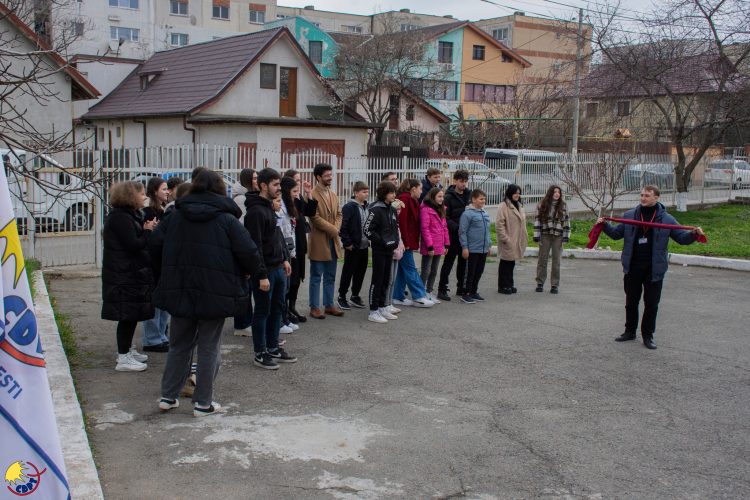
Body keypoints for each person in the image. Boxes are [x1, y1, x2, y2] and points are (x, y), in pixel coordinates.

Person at [149, 170, 263, 416]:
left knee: (179, 344)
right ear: (220, 190)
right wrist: (254, 273)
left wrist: (166, 272)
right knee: (209, 346)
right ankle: (203, 402)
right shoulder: (227, 219)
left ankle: (168, 396)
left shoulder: (176, 216)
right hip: (216, 290)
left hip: (180, 287)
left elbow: (154, 245)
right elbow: (248, 251)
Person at [598, 186, 704, 350]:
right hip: (633, 266)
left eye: (647, 195)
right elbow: (616, 234)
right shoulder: (629, 215)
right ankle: (629, 331)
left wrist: (694, 234)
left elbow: (681, 238)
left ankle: (648, 335)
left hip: (654, 269)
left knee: (651, 303)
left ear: (656, 198)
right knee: (631, 301)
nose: (643, 198)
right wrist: (604, 225)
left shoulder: (667, 219)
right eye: (641, 195)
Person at [102, 181, 156, 372]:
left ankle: (127, 349)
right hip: (123, 275)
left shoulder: (129, 215)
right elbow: (133, 245)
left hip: (129, 274)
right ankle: (123, 357)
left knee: (132, 315)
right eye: (141, 194)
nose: (145, 197)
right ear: (131, 196)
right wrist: (147, 231)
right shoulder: (120, 218)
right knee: (127, 315)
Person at [245, 168, 296, 369]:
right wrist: (261, 275)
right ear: (263, 186)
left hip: (278, 268)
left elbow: (276, 237)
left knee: (277, 310)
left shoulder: (269, 208)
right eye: (275, 185)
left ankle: (273, 347)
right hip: (265, 273)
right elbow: (254, 246)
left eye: (279, 184)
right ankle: (260, 352)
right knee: (262, 312)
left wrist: (284, 259)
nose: (279, 188)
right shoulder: (256, 212)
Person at [308, 163, 344, 319]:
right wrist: (333, 229)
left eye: (331, 174)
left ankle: (329, 305)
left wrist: (335, 228)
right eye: (327, 175)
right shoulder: (312, 194)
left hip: (332, 240)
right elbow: (314, 217)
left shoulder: (333, 194)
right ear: (318, 177)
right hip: (319, 240)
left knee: (331, 275)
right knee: (316, 276)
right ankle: (314, 307)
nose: (330, 177)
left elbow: (339, 214)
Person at [392, 179, 434, 308]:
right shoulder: (405, 200)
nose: (422, 191)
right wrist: (405, 242)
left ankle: (397, 296)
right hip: (405, 242)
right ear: (413, 189)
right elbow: (402, 222)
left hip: (407, 241)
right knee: (410, 268)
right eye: (420, 188)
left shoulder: (411, 200)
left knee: (402, 269)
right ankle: (419, 296)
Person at [282, 169, 317, 323]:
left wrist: (309, 194)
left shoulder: (297, 196)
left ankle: (292, 307)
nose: (299, 183)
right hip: (291, 244)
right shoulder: (286, 200)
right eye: (296, 180)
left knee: (297, 278)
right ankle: (285, 310)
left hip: (300, 242)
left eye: (299, 180)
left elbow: (310, 211)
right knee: (291, 278)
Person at [141, 177, 171, 352]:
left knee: (162, 302)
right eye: (164, 189)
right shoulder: (148, 212)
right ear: (154, 191)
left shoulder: (163, 210)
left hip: (162, 262)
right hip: (153, 262)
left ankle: (161, 335)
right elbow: (147, 238)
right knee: (154, 302)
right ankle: (152, 339)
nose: (167, 192)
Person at [364, 182, 400, 323]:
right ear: (383, 193)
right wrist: (381, 241)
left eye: (394, 192)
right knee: (377, 279)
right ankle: (373, 311)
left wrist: (395, 242)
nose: (394, 195)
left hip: (389, 250)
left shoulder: (392, 210)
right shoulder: (375, 209)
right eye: (391, 192)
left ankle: (382, 306)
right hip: (379, 250)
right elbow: (367, 230)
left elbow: (395, 228)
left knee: (386, 278)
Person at [437, 169, 472, 301]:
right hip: (453, 234)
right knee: (449, 262)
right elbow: (445, 217)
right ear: (455, 181)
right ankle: (442, 289)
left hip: (465, 235)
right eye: (461, 181)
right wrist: (457, 228)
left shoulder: (469, 195)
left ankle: (461, 287)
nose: (463, 184)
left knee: (463, 262)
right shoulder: (448, 197)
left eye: (465, 181)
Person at [232, 168, 258, 337]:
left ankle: (246, 321)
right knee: (244, 288)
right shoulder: (242, 199)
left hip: (248, 247)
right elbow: (243, 226)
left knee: (248, 287)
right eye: (254, 178)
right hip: (244, 249)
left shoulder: (248, 196)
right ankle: (241, 324)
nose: (257, 181)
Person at [338, 181, 369, 310]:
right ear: (356, 193)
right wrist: (347, 243)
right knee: (348, 272)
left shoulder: (367, 206)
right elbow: (343, 226)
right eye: (363, 192)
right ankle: (341, 296)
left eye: (367, 191)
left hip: (364, 246)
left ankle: (355, 295)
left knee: (360, 272)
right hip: (353, 247)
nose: (366, 194)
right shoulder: (349, 207)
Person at [534, 185, 570, 294]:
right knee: (542, 260)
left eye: (558, 192)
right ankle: (540, 283)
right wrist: (537, 236)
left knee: (556, 261)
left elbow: (567, 222)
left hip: (558, 236)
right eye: (555, 192)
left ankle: (554, 285)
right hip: (545, 235)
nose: (557, 194)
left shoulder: (563, 205)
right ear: (550, 193)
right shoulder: (542, 204)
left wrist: (565, 237)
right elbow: (537, 220)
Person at [458, 189, 491, 304]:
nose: (483, 201)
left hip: (483, 249)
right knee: (470, 272)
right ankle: (465, 293)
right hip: (472, 249)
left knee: (479, 271)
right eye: (481, 199)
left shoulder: (484, 213)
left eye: (484, 199)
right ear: (473, 199)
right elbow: (462, 232)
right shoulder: (467, 214)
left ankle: (473, 291)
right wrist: (465, 247)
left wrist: (489, 245)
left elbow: (488, 231)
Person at [277, 178, 300, 334]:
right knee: (281, 290)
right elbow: (281, 232)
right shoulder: (280, 207)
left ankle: (284, 318)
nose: (297, 194)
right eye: (294, 191)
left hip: (289, 251)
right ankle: (279, 322)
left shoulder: (289, 206)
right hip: (282, 253)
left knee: (286, 289)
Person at [419, 187, 450, 303]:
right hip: (430, 246)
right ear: (433, 197)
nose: (442, 199)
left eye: (443, 196)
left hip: (439, 245)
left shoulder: (442, 209)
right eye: (439, 196)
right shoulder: (425, 210)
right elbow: (425, 229)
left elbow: (444, 228)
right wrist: (430, 246)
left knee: (434, 271)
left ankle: (429, 291)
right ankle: (420, 292)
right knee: (426, 271)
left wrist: (446, 244)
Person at [496, 184, 528, 295]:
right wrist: (505, 238)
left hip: (517, 239)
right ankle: (503, 286)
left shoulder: (519, 205)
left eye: (519, 193)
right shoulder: (503, 206)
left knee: (511, 263)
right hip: (508, 240)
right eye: (515, 193)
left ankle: (509, 284)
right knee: (505, 263)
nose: (517, 195)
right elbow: (499, 224)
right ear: (510, 193)